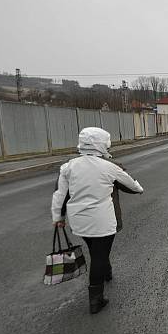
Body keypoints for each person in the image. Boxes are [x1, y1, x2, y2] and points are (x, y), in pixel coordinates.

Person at [51, 127, 144, 314]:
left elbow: (60, 195)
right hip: (102, 220)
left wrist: (58, 217)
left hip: (79, 221)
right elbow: (132, 186)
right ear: (101, 144)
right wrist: (139, 188)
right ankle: (96, 299)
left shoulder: (68, 167)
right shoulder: (109, 167)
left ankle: (106, 272)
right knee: (100, 255)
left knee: (96, 250)